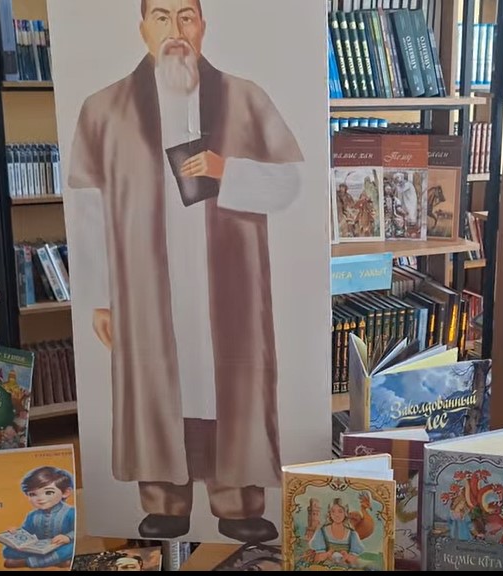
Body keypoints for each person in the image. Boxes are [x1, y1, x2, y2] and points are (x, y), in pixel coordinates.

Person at [67, 0, 303, 542]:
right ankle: (164, 503)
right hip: (146, 285)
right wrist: (99, 295)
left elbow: (293, 180)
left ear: (203, 26)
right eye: (162, 17)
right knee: (155, 385)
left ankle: (239, 504)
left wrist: (228, 171)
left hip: (228, 285)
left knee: (230, 385)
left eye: (186, 17)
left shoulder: (245, 97)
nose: (175, 30)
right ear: (143, 29)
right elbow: (86, 207)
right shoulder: (104, 108)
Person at [2, 466, 75, 569]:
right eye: (33, 494)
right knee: (7, 551)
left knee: (71, 548)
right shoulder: (32, 515)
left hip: (61, 546)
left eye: (48, 492)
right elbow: (26, 532)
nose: (40, 498)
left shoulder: (71, 512)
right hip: (40, 548)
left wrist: (67, 537)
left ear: (65, 492)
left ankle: (29, 562)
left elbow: (78, 531)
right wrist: (16, 533)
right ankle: (57, 562)